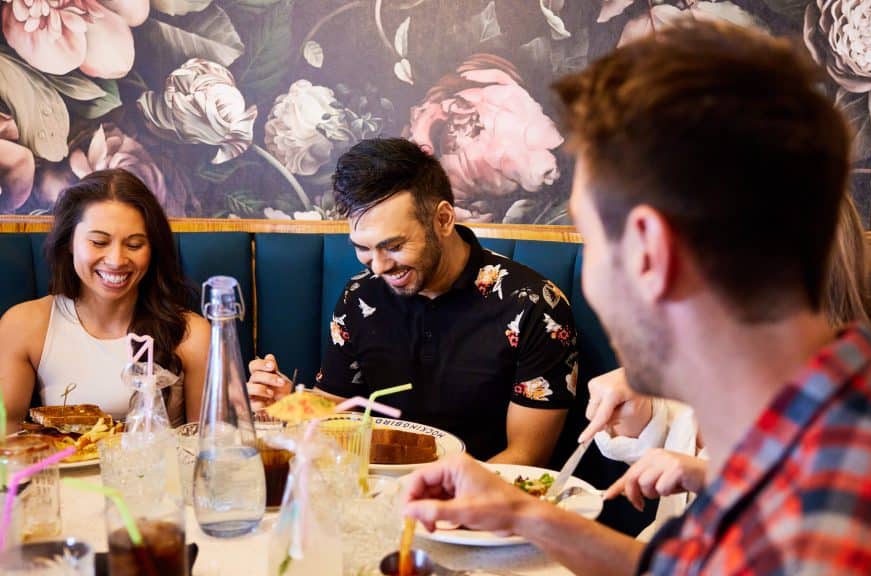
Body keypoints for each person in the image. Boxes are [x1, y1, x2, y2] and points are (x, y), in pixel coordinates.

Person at [401, 18, 871, 576]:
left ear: (652, 254)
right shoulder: (848, 424)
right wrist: (521, 512)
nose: (591, 274)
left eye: (593, 243)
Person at [247, 138, 577, 464]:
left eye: (393, 246)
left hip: (480, 504)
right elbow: (337, 406)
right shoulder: (360, 296)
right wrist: (286, 402)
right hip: (374, 492)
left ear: (444, 219)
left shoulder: (533, 305)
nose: (377, 266)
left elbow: (526, 457)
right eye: (363, 248)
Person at [583, 193, 871, 529]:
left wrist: (714, 480)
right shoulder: (729, 366)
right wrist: (637, 404)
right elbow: (661, 438)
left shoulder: (837, 412)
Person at [0, 169, 209, 433]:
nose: (116, 260)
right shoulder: (25, 325)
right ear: (70, 242)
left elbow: (210, 446)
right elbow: (6, 438)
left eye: (134, 245)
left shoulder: (192, 334)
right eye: (99, 242)